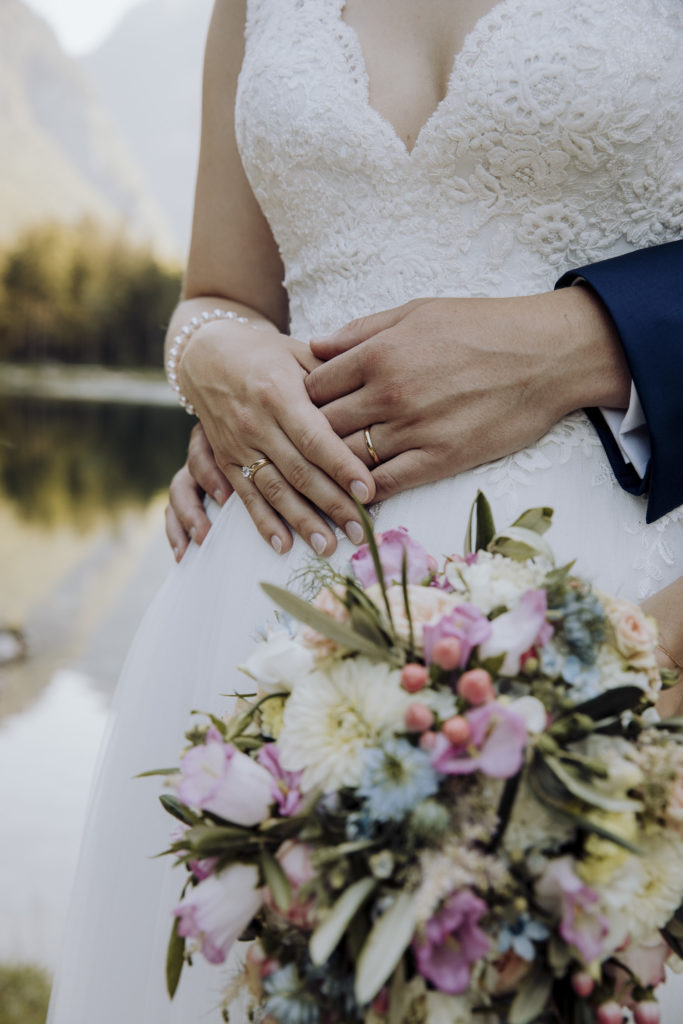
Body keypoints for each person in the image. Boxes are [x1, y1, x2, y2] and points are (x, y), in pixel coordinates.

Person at [47, 0, 683, 1021]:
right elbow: (219, 292)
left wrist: (584, 337)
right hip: (248, 631)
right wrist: (217, 357)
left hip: (612, 623)